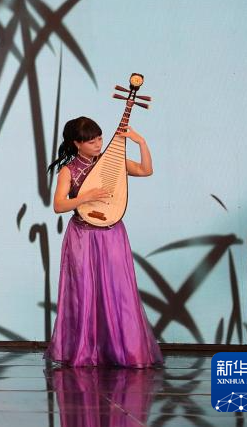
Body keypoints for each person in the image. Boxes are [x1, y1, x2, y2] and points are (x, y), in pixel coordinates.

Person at [45, 116, 162, 368]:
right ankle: (85, 351)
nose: (98, 144)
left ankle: (122, 351)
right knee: (84, 291)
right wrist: (85, 197)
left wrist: (140, 142)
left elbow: (145, 170)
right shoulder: (68, 171)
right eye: (91, 141)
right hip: (83, 235)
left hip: (112, 233)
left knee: (118, 289)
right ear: (77, 143)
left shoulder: (111, 162)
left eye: (100, 138)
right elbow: (59, 205)